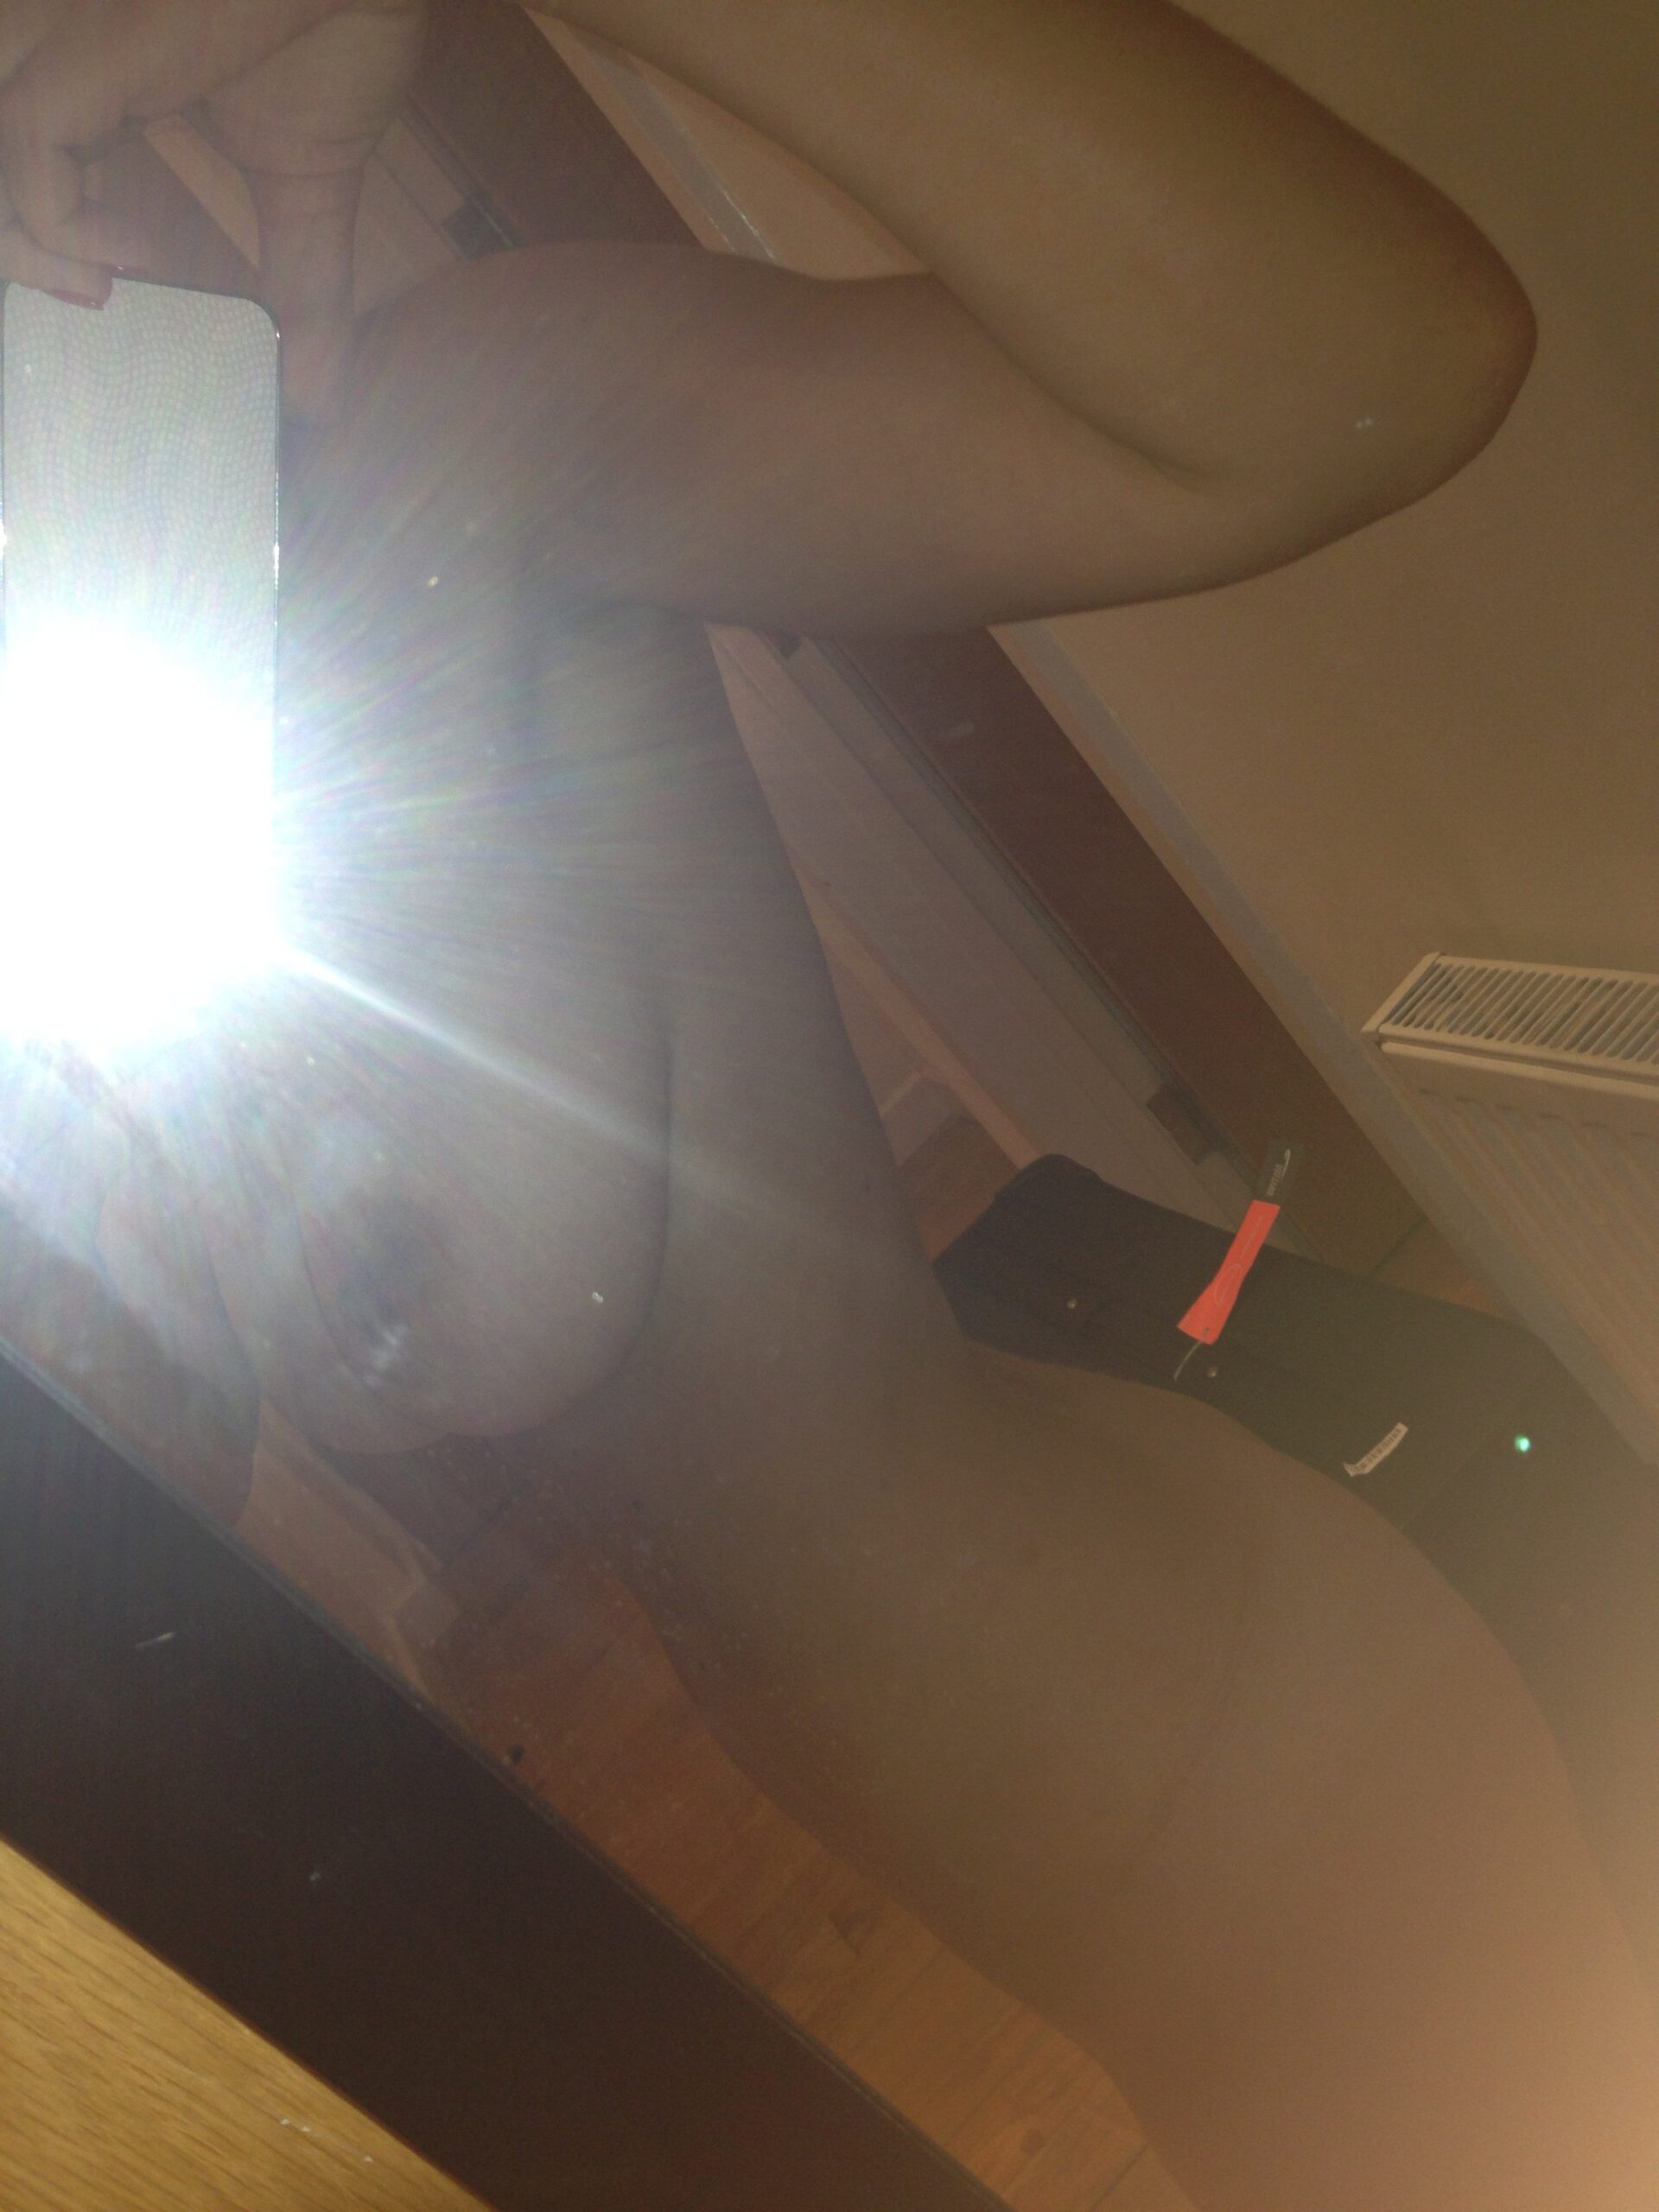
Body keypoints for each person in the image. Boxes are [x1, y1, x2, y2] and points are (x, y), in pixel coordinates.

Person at [3, 4, 1656, 2206]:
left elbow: (1385, 362)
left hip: (1282, 1798)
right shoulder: (84, 800)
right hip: (1112, 1867)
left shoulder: (448, 437)